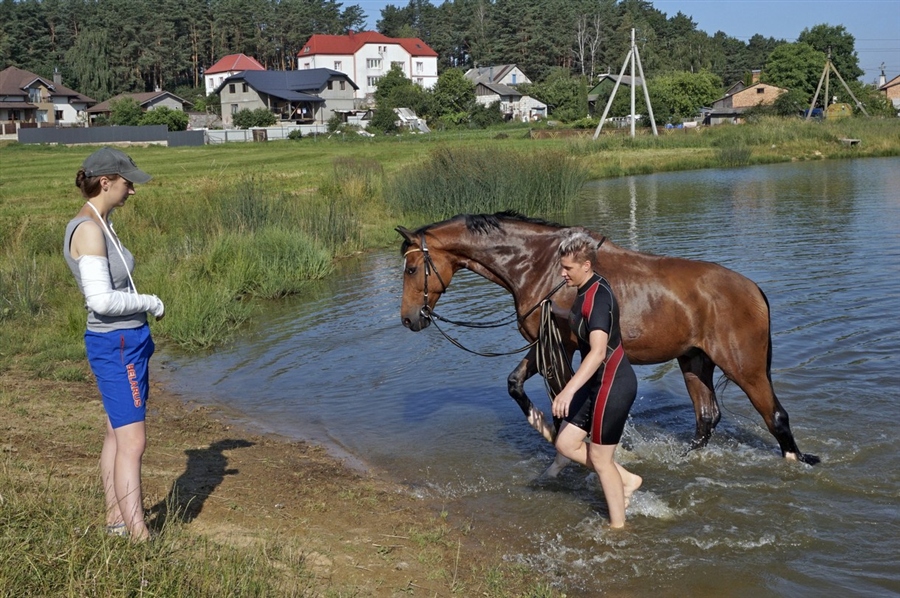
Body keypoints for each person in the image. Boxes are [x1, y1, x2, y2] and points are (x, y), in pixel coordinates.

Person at [63, 147, 164, 541]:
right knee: (133, 440)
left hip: (126, 340)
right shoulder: (88, 230)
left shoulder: (101, 224)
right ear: (106, 182)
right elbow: (101, 301)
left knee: (116, 433)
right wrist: (150, 303)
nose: (132, 191)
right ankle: (138, 535)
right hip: (116, 342)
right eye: (127, 184)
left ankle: (116, 521)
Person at [551, 231, 641, 528]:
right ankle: (626, 479)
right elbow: (581, 316)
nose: (562, 273)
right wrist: (555, 311)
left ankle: (618, 529)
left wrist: (567, 390)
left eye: (568, 268)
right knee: (566, 443)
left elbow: (599, 351)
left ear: (586, 265)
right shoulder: (585, 289)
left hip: (613, 384)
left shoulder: (599, 297)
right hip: (596, 383)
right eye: (562, 267)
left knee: (602, 462)